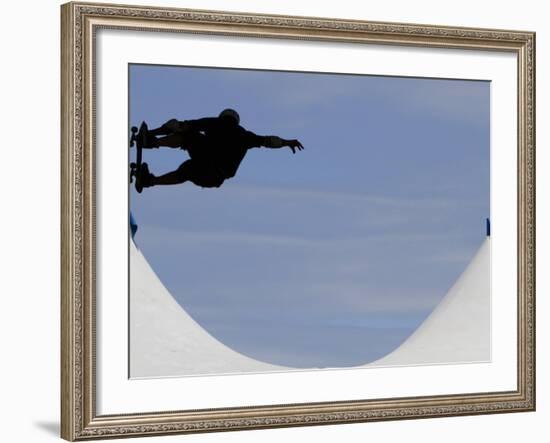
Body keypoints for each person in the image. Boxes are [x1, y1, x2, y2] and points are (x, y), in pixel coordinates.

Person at [136, 108, 304, 190]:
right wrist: (287, 142)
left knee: (188, 136)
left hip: (207, 164)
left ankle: (151, 143)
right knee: (187, 170)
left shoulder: (215, 123)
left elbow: (180, 126)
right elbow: (269, 141)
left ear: (222, 117)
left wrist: (152, 134)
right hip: (214, 178)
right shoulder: (245, 136)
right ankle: (150, 181)